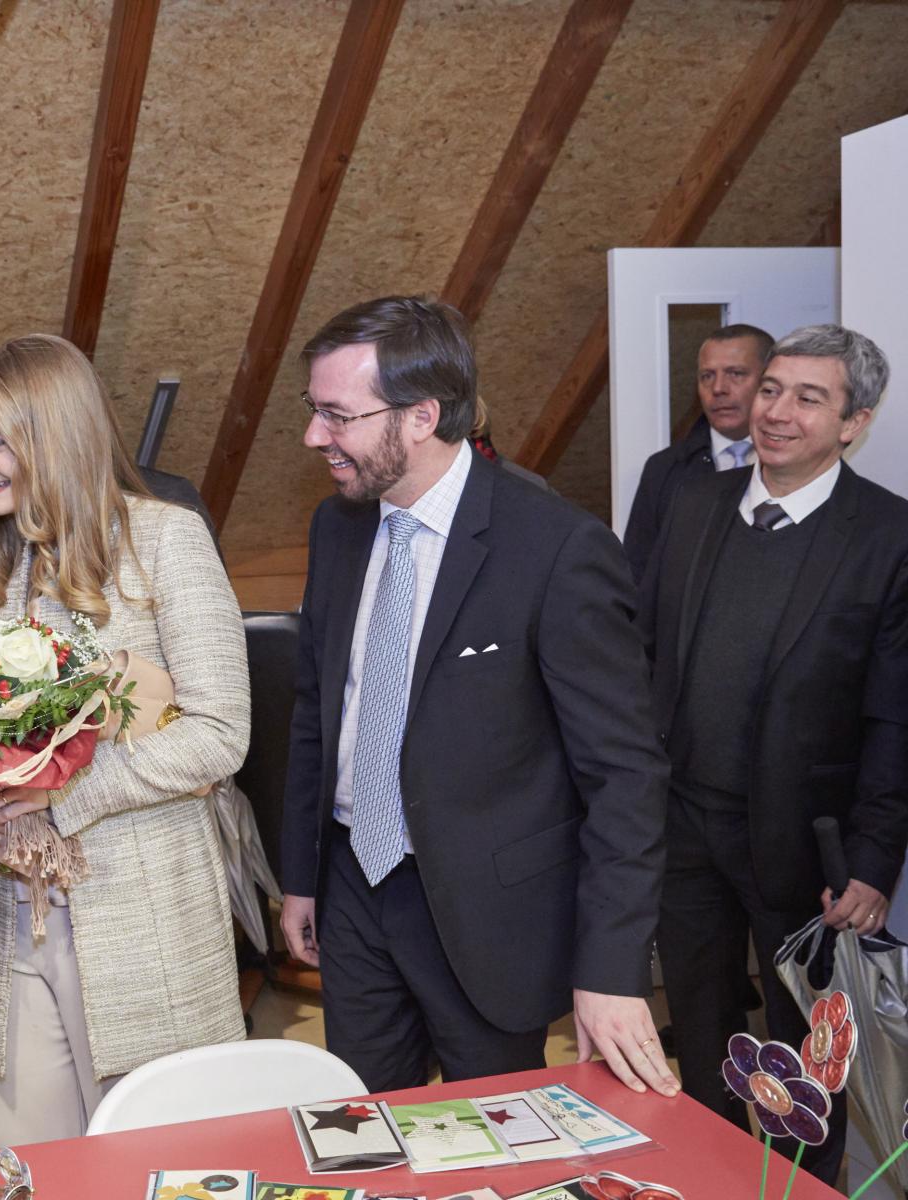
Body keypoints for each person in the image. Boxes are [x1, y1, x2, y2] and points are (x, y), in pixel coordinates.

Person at [278, 295, 677, 1099]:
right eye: (312, 411)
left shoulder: (556, 549)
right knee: (367, 1134)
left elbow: (624, 776)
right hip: (356, 884)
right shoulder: (338, 527)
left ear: (421, 416)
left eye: (336, 415)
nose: (316, 436)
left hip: (489, 915)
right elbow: (320, 711)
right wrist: (301, 875)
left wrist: (610, 966)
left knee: (498, 1147)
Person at [0, 333, 248, 1145]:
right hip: (4, 918)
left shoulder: (165, 542)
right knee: (35, 1163)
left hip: (141, 919)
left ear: (56, 432)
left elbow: (221, 734)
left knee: (161, 1160)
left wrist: (63, 801)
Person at [640, 324, 908, 1185]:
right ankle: (708, 1179)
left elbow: (896, 720)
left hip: (808, 849)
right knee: (702, 1029)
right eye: (772, 390)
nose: (776, 412)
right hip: (684, 830)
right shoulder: (693, 504)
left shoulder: (888, 537)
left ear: (854, 423)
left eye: (808, 398)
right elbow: (646, 657)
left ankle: (798, 1188)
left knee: (802, 1065)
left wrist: (873, 860)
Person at [623, 324, 773, 580]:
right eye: (707, 376)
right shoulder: (665, 469)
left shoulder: (792, 461)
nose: (718, 388)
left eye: (735, 374)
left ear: (769, 382)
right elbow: (637, 571)